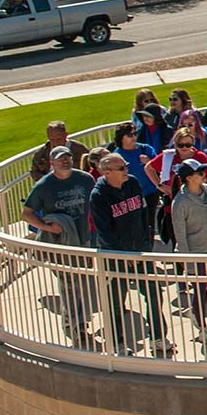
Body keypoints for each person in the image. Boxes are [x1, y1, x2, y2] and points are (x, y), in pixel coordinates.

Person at [88, 152, 171, 355]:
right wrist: (126, 256)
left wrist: (145, 245)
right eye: (122, 168)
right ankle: (116, 341)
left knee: (153, 295)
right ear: (107, 173)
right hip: (116, 257)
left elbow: (144, 216)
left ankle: (158, 337)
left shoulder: (132, 183)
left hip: (140, 252)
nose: (127, 170)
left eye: (126, 166)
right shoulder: (98, 196)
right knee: (116, 301)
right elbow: (104, 232)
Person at [22, 145, 97, 347]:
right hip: (60, 243)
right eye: (60, 158)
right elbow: (27, 212)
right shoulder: (44, 186)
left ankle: (76, 318)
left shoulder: (85, 179)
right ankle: (75, 323)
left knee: (81, 282)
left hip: (84, 239)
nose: (65, 161)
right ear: (52, 163)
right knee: (69, 284)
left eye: (68, 157)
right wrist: (46, 227)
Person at [167, 159, 207, 348]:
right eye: (199, 172)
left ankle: (195, 311)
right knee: (200, 290)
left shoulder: (206, 190)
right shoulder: (180, 203)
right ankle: (202, 327)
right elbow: (180, 236)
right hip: (194, 253)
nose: (203, 174)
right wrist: (188, 263)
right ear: (189, 178)